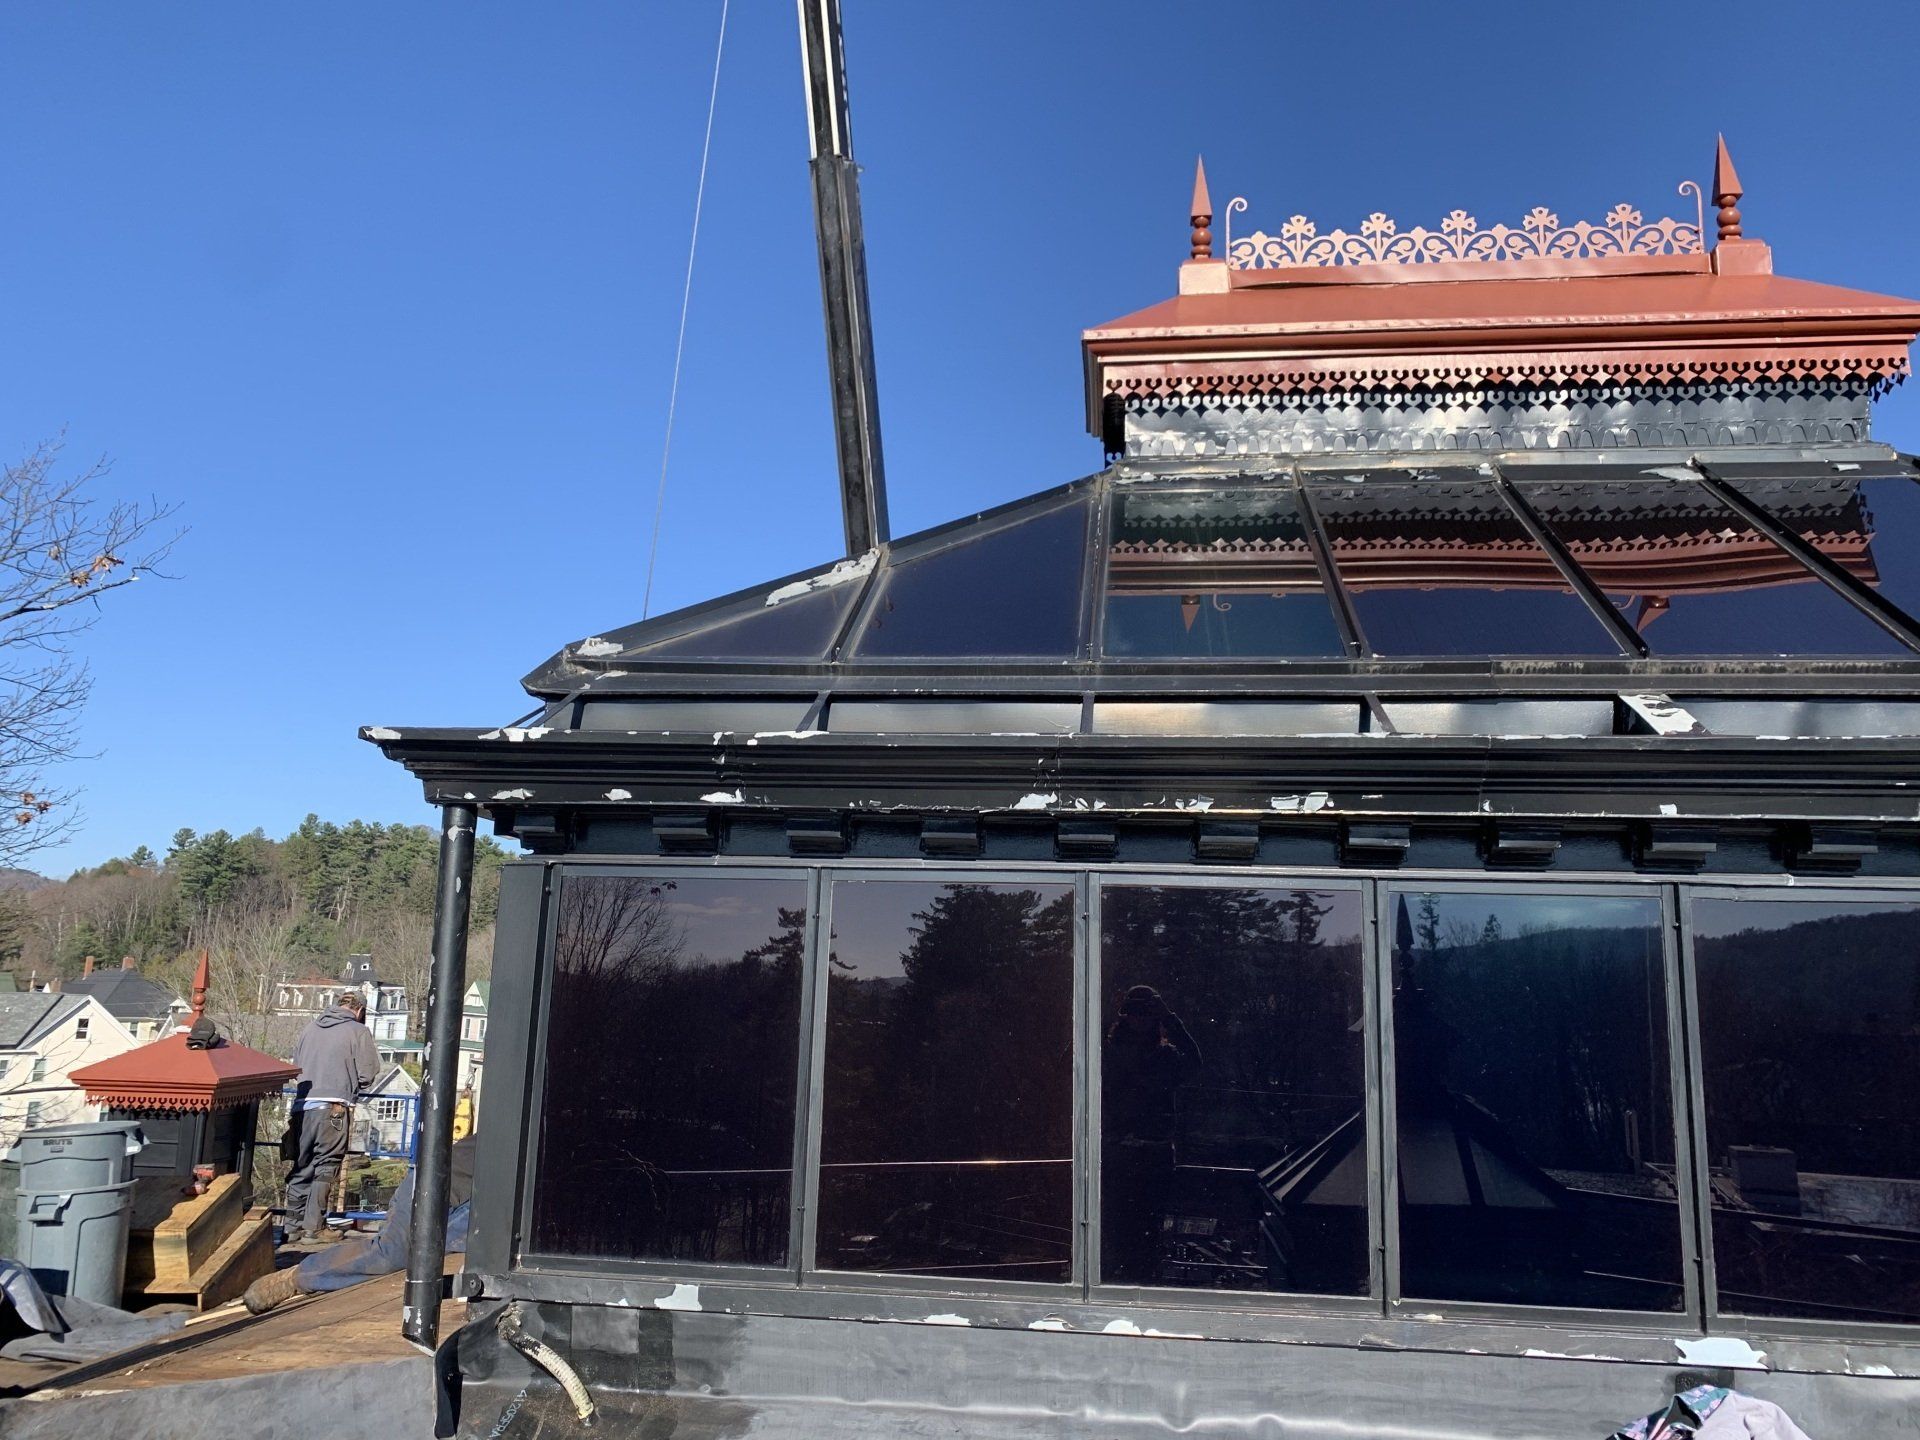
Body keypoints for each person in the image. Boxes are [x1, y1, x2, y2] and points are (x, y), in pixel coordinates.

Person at [244, 1135, 476, 1315]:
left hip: (471, 1211)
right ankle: (299, 1277)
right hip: (432, 1194)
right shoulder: (508, 1132)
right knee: (390, 1255)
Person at [1101, 984, 1202, 1286]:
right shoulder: (1112, 1053)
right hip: (1123, 1151)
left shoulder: (1163, 1057)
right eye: (1135, 1013)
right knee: (1120, 1230)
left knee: (1145, 1232)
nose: (1140, 1020)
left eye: (1146, 1014)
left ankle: (1137, 1284)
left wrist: (1169, 1018)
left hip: (1149, 1154)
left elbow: (1196, 1064)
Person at [281, 991, 380, 1245]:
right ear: (359, 1011)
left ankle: (291, 1227)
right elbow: (367, 1074)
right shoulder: (358, 1031)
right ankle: (313, 1229)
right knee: (326, 1166)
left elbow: (296, 1065)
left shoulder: (309, 1028)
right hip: (333, 1109)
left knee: (302, 1166)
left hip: (302, 1108)